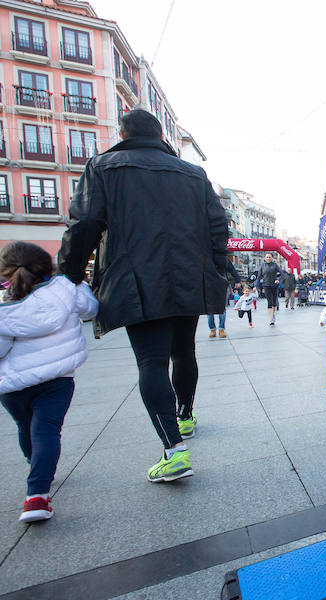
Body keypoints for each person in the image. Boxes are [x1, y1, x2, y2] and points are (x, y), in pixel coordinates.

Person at [57, 109, 228, 483]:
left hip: (136, 276)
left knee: (151, 362)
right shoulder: (193, 173)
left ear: (123, 132)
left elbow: (85, 223)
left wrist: (68, 274)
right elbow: (219, 225)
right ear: (161, 135)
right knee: (184, 351)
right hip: (188, 274)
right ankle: (185, 417)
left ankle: (174, 452)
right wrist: (216, 266)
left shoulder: (104, 166)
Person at [0, 242, 99, 522]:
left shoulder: (7, 305)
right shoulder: (66, 289)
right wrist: (81, 286)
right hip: (57, 380)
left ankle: (37, 465)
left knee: (26, 426)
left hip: (14, 386)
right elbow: (91, 310)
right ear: (47, 265)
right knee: (46, 431)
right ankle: (37, 498)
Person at [207, 260, 241, 338]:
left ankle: (221, 329)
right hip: (209, 283)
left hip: (222, 283)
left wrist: (238, 280)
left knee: (222, 307)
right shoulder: (206, 256)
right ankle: (212, 329)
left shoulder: (224, 258)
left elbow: (232, 269)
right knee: (209, 308)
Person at [256, 253, 282, 326]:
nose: (268, 258)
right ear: (265, 258)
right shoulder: (262, 265)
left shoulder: (275, 265)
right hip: (266, 285)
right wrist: (256, 286)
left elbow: (282, 274)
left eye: (269, 257)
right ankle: (271, 319)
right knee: (269, 302)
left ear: (272, 258)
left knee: (274, 302)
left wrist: (278, 279)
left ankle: (272, 315)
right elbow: (259, 276)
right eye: (267, 257)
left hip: (274, 285)